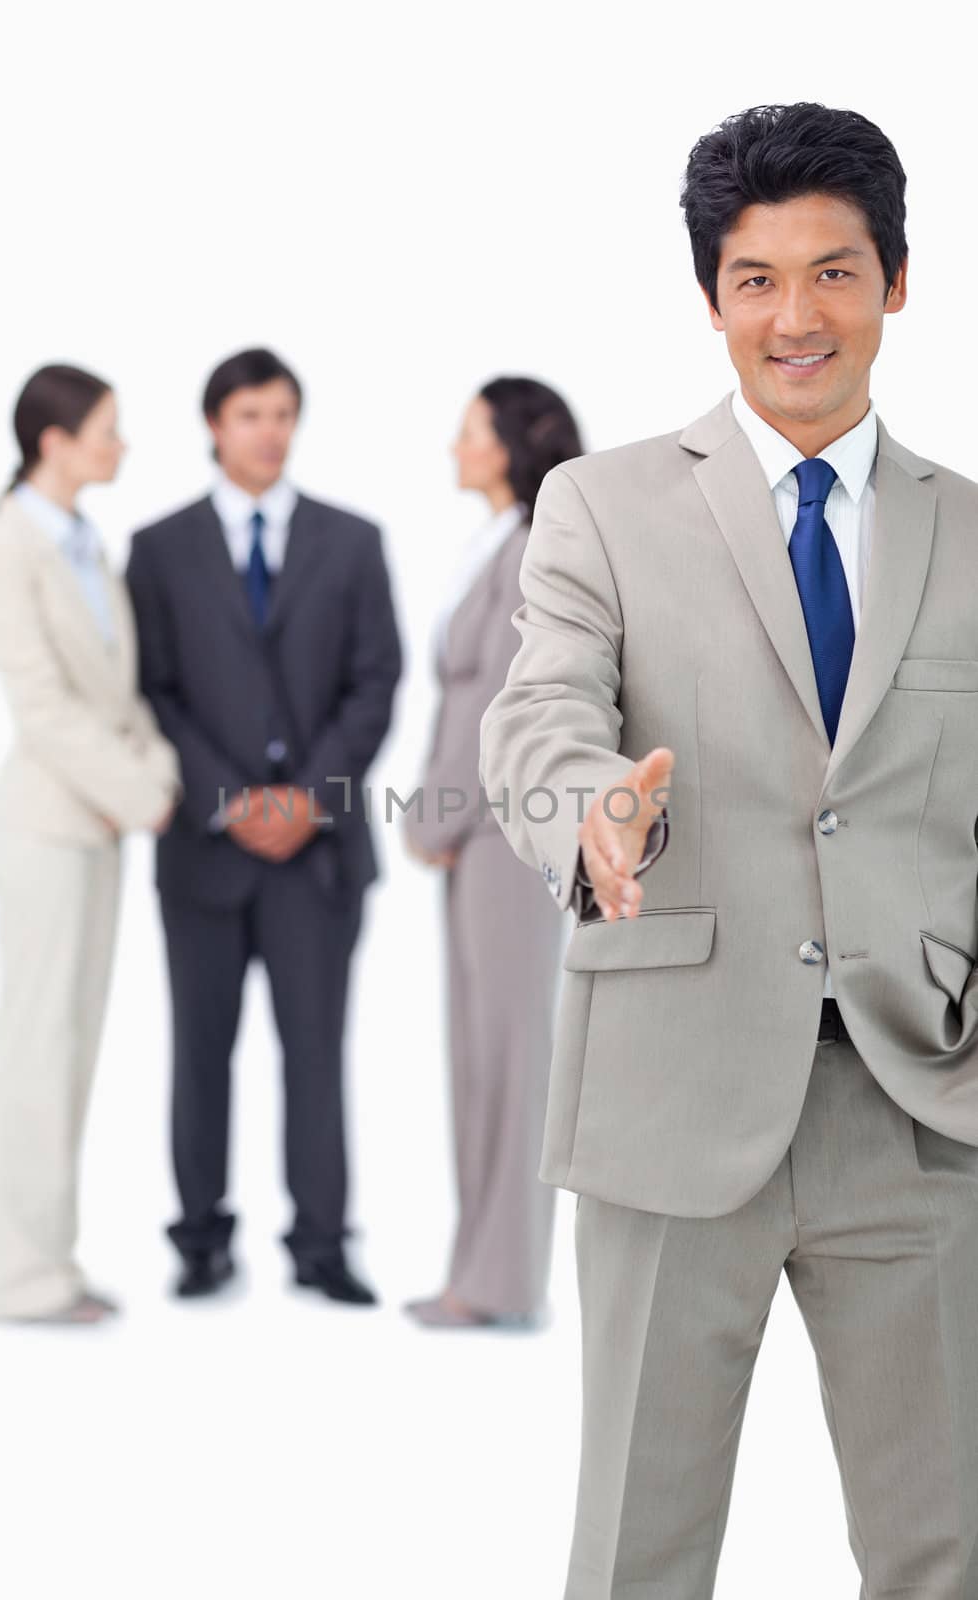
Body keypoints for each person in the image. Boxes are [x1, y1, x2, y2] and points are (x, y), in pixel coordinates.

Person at [480, 102, 978, 1595]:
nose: (793, 316)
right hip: (669, 1094)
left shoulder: (969, 533)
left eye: (831, 272)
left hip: (919, 1099)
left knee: (941, 1549)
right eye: (754, 279)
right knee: (639, 1544)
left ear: (895, 281)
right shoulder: (601, 506)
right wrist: (590, 806)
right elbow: (537, 717)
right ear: (710, 299)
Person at [126, 347, 402, 1304]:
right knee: (199, 1050)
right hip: (204, 850)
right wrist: (228, 800)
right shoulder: (158, 549)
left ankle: (321, 1244)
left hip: (317, 857)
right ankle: (200, 1238)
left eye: (283, 413)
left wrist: (308, 800)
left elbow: (376, 683)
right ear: (214, 425)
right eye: (251, 415)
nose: (270, 431)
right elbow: (152, 689)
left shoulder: (353, 540)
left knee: (316, 1051)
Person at [0, 364, 181, 1325]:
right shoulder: (8, 546)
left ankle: (48, 1260)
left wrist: (155, 775)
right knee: (36, 1049)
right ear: (53, 442)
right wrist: (140, 792)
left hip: (101, 825)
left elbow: (119, 693)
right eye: (105, 429)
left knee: (74, 1048)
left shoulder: (86, 542)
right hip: (51, 824)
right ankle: (14, 1277)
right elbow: (43, 708)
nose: (119, 444)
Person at [403, 378, 581, 1328]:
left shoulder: (529, 550)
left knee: (511, 1054)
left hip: (503, 836)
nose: (454, 447)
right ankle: (475, 1272)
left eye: (469, 432)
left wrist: (430, 818)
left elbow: (496, 712)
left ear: (510, 442)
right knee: (476, 1054)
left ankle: (503, 1282)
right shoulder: (496, 541)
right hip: (471, 839)